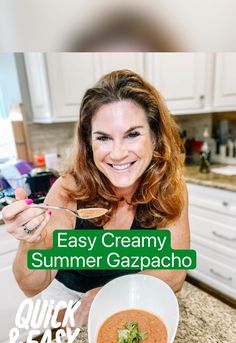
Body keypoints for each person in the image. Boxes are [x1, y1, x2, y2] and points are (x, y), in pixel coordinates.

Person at [3, 69, 190, 327]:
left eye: (133, 134)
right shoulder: (69, 190)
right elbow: (32, 285)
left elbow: (174, 273)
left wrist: (111, 294)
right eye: (103, 138)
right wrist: (32, 242)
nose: (117, 153)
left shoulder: (169, 187)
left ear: (155, 137)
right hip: (70, 302)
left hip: (135, 293)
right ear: (89, 143)